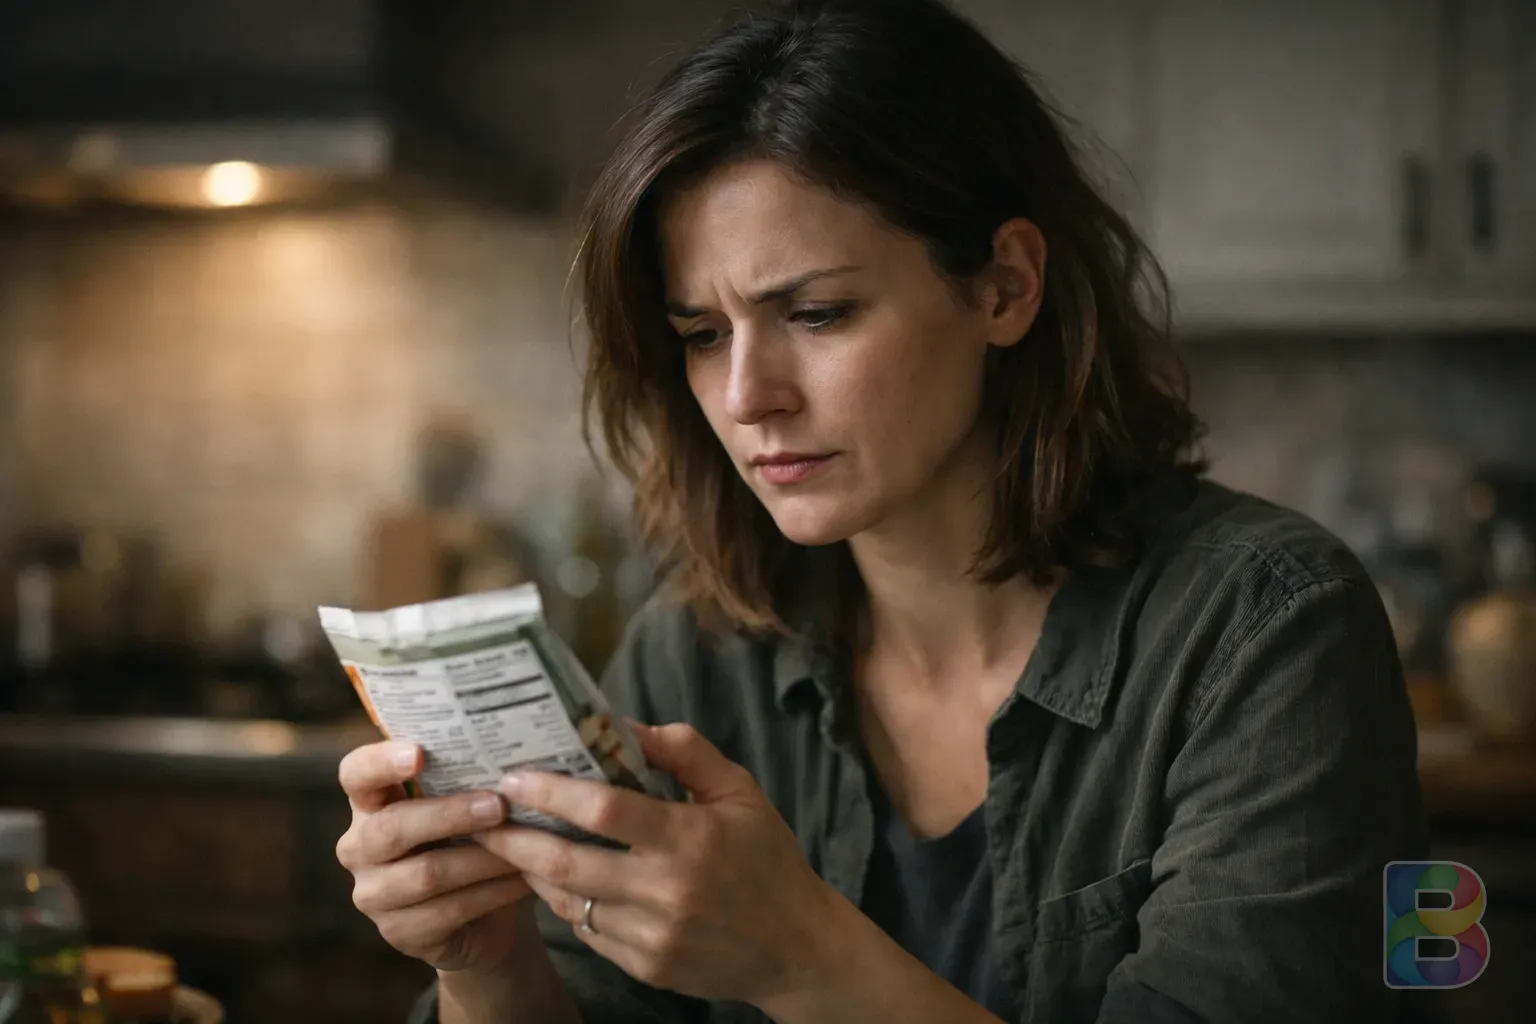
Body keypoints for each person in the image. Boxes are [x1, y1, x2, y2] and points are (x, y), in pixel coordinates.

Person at [334, 1, 1438, 1021]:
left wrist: (802, 957)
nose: (745, 395)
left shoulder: (1265, 630)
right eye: (703, 334)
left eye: (815, 312)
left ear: (1004, 286)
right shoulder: (699, 658)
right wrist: (487, 965)